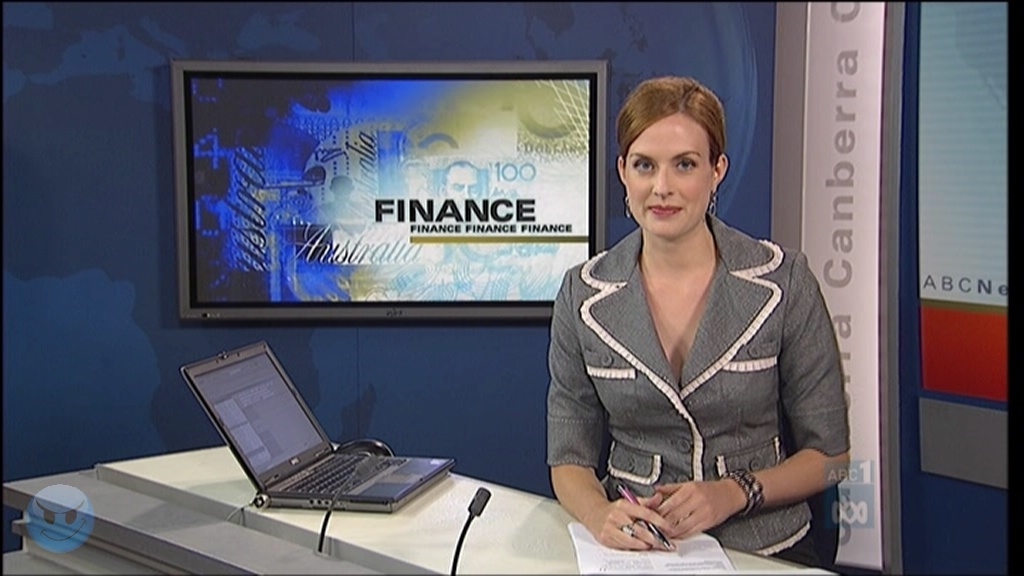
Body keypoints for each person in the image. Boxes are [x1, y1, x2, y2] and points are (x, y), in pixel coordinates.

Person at [545, 76, 851, 567]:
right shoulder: (582, 294)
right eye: (644, 165)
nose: (662, 187)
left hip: (764, 549)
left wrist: (735, 492)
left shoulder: (785, 282)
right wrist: (599, 514)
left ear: (717, 171)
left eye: (684, 164)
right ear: (623, 172)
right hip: (638, 550)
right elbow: (568, 459)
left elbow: (833, 463)